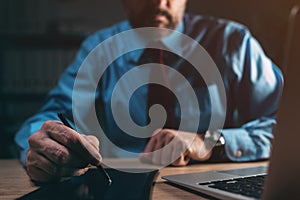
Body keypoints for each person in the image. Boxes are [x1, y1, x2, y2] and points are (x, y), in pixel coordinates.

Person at [15, 0, 283, 183]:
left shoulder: (233, 43)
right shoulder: (98, 50)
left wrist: (211, 142)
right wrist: (45, 144)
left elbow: (287, 128)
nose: (159, 0)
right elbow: (50, 117)